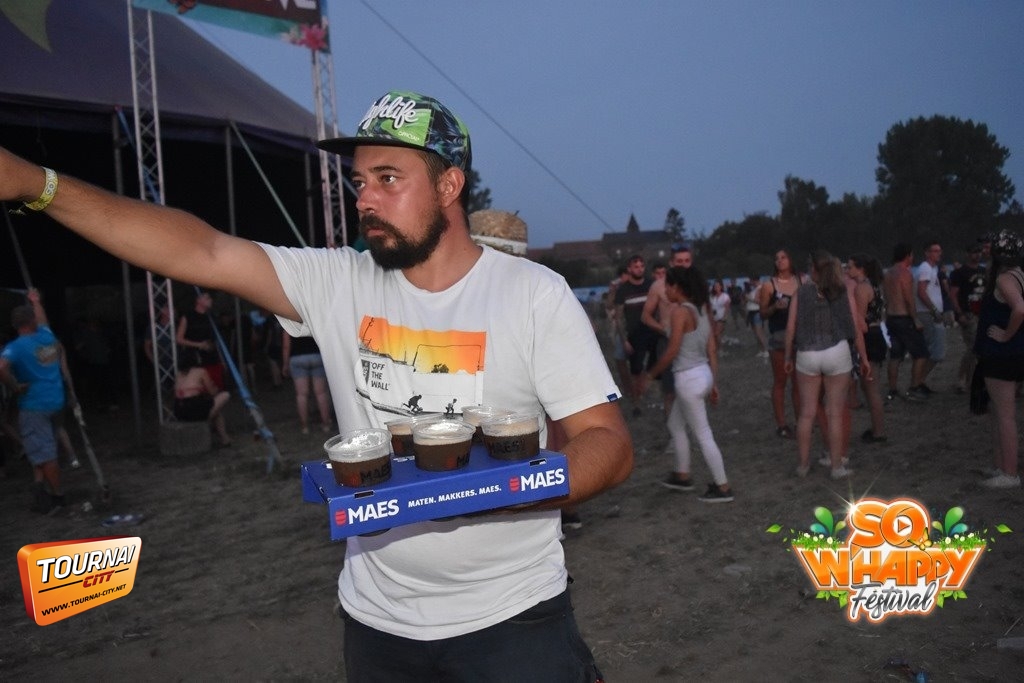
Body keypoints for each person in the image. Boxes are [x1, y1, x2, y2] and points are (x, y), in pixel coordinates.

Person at [0, 90, 632, 680]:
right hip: (378, 624)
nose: (365, 199)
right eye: (359, 182)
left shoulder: (532, 294)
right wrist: (37, 185)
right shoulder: (337, 282)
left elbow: (607, 442)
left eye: (388, 179)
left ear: (449, 185)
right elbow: (202, 252)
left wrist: (493, 493)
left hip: (514, 616)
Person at [648, 266, 733, 502]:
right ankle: (682, 475)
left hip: (688, 379)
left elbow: (672, 350)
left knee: (703, 434)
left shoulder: (679, 312)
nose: (665, 291)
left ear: (676, 287)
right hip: (703, 374)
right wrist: (713, 383)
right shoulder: (703, 308)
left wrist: (650, 375)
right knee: (675, 424)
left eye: (667, 286)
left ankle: (723, 486)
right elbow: (712, 348)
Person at [784, 251, 870, 479]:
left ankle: (803, 465)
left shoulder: (800, 293)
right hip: (836, 352)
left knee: (806, 413)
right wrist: (864, 358)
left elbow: (791, 328)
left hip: (807, 353)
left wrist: (787, 357)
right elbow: (855, 328)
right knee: (834, 413)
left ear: (812, 269)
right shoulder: (842, 292)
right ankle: (836, 466)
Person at [0, 289, 69, 512]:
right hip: (56, 400)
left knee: (44, 452)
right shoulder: (47, 336)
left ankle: (57, 497)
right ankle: (39, 486)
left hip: (34, 405)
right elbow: (43, 319)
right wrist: (36, 301)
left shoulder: (15, 348)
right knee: (43, 446)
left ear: (14, 325)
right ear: (32, 321)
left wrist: (14, 386)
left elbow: (1, 368)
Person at [972, 230, 1024, 489]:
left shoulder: (1005, 278)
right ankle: (1000, 465)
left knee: (1004, 414)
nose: (985, 250)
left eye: (989, 247)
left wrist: (1005, 335)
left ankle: (1010, 473)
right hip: (1010, 352)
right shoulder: (1017, 274)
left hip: (1003, 353)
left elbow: (1020, 309)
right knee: (998, 411)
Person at [640, 244, 693, 415]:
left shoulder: (696, 284)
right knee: (670, 391)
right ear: (671, 263)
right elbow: (645, 316)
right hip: (667, 340)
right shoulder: (659, 286)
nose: (683, 265)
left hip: (691, 342)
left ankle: (690, 423)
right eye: (679, 261)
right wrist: (662, 329)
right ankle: (672, 426)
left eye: (687, 261)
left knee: (691, 388)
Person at [760, 249, 804, 438]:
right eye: (776, 258)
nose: (779, 261)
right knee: (780, 381)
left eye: (783, 257)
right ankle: (782, 425)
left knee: (798, 383)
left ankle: (801, 421)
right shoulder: (769, 285)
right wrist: (774, 307)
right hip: (779, 336)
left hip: (801, 337)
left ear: (790, 259)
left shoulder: (802, 281)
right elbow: (762, 313)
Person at [847, 254, 887, 443]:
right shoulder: (874, 286)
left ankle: (879, 431)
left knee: (871, 389)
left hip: (869, 337)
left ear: (860, 268)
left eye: (850, 267)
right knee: (870, 386)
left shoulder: (862, 288)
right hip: (877, 334)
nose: (847, 270)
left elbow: (861, 322)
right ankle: (876, 428)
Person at [882, 243, 930, 402]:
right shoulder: (905, 273)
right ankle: (914, 388)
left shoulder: (888, 273)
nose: (913, 258)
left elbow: (886, 298)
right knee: (921, 354)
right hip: (904, 318)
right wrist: (915, 319)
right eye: (912, 255)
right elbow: (909, 299)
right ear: (907, 255)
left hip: (891, 318)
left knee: (895, 356)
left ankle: (893, 390)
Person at [615, 254, 656, 416]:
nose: (639, 269)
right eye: (636, 266)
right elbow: (619, 318)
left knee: (656, 365)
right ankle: (636, 403)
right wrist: (624, 340)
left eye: (642, 266)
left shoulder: (651, 285)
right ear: (629, 269)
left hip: (652, 332)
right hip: (634, 335)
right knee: (636, 370)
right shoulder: (623, 290)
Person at [948, 243, 987, 394]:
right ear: (967, 254)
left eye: (979, 252)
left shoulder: (984, 271)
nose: (977, 255)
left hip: (983, 314)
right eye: (974, 252)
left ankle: (972, 380)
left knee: (980, 349)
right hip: (968, 313)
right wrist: (959, 314)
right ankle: (962, 380)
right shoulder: (960, 273)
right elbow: (953, 295)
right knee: (972, 347)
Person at [172, 353, 231, 448]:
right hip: (194, 409)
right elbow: (212, 392)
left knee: (217, 412)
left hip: (179, 410)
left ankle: (225, 439)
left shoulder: (178, 374)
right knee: (225, 395)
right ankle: (223, 437)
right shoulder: (200, 371)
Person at [281, 332, 332, 435]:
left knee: (301, 395)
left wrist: (285, 364)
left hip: (297, 358)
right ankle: (326, 424)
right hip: (316, 356)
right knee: (321, 393)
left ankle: (305, 427)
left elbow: (286, 346)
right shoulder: (315, 321)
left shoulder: (289, 323)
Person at [914, 238, 945, 396]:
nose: (939, 253)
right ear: (927, 253)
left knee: (933, 351)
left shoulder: (932, 269)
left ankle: (920, 381)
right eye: (935, 251)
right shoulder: (925, 268)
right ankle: (918, 382)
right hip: (928, 314)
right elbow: (921, 292)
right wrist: (934, 310)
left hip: (931, 313)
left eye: (939, 250)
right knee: (933, 351)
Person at [176, 290, 225, 390]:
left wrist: (222, 359)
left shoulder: (211, 317)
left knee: (215, 388)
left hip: (212, 359)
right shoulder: (188, 316)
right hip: (195, 359)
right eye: (207, 298)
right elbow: (179, 339)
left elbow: (216, 341)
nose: (210, 300)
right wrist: (199, 345)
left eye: (210, 298)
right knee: (199, 389)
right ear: (199, 300)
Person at [744, 277, 768, 357]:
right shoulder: (754, 289)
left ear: (754, 280)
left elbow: (760, 302)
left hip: (757, 312)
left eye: (750, 281)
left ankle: (766, 350)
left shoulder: (760, 288)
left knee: (759, 332)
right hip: (751, 312)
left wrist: (749, 299)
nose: (749, 283)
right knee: (755, 333)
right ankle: (761, 350)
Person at [709, 279, 730, 346]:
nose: (716, 287)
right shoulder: (712, 297)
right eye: (715, 286)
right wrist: (710, 317)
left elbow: (727, 308)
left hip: (721, 318)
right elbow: (710, 308)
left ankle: (720, 348)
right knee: (714, 334)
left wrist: (724, 317)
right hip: (714, 318)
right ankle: (718, 347)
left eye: (718, 286)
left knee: (717, 333)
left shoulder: (725, 296)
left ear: (721, 287)